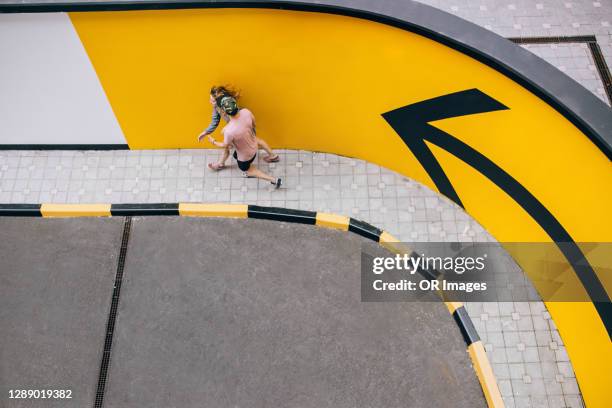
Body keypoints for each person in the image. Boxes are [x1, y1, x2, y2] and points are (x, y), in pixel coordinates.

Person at [207, 94, 282, 188]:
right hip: (254, 147)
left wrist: (213, 141)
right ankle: (251, 169)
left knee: (248, 169)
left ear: (224, 112)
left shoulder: (229, 131)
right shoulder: (246, 112)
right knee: (235, 155)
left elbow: (225, 145)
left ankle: (274, 180)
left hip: (245, 158)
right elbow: (253, 125)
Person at [197, 85, 279, 167]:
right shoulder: (217, 107)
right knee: (254, 141)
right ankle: (221, 163)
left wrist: (214, 141)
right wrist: (205, 132)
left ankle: (222, 163)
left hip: (239, 129)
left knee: (233, 144)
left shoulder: (230, 108)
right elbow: (215, 121)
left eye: (213, 101)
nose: (210, 102)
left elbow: (243, 121)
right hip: (235, 129)